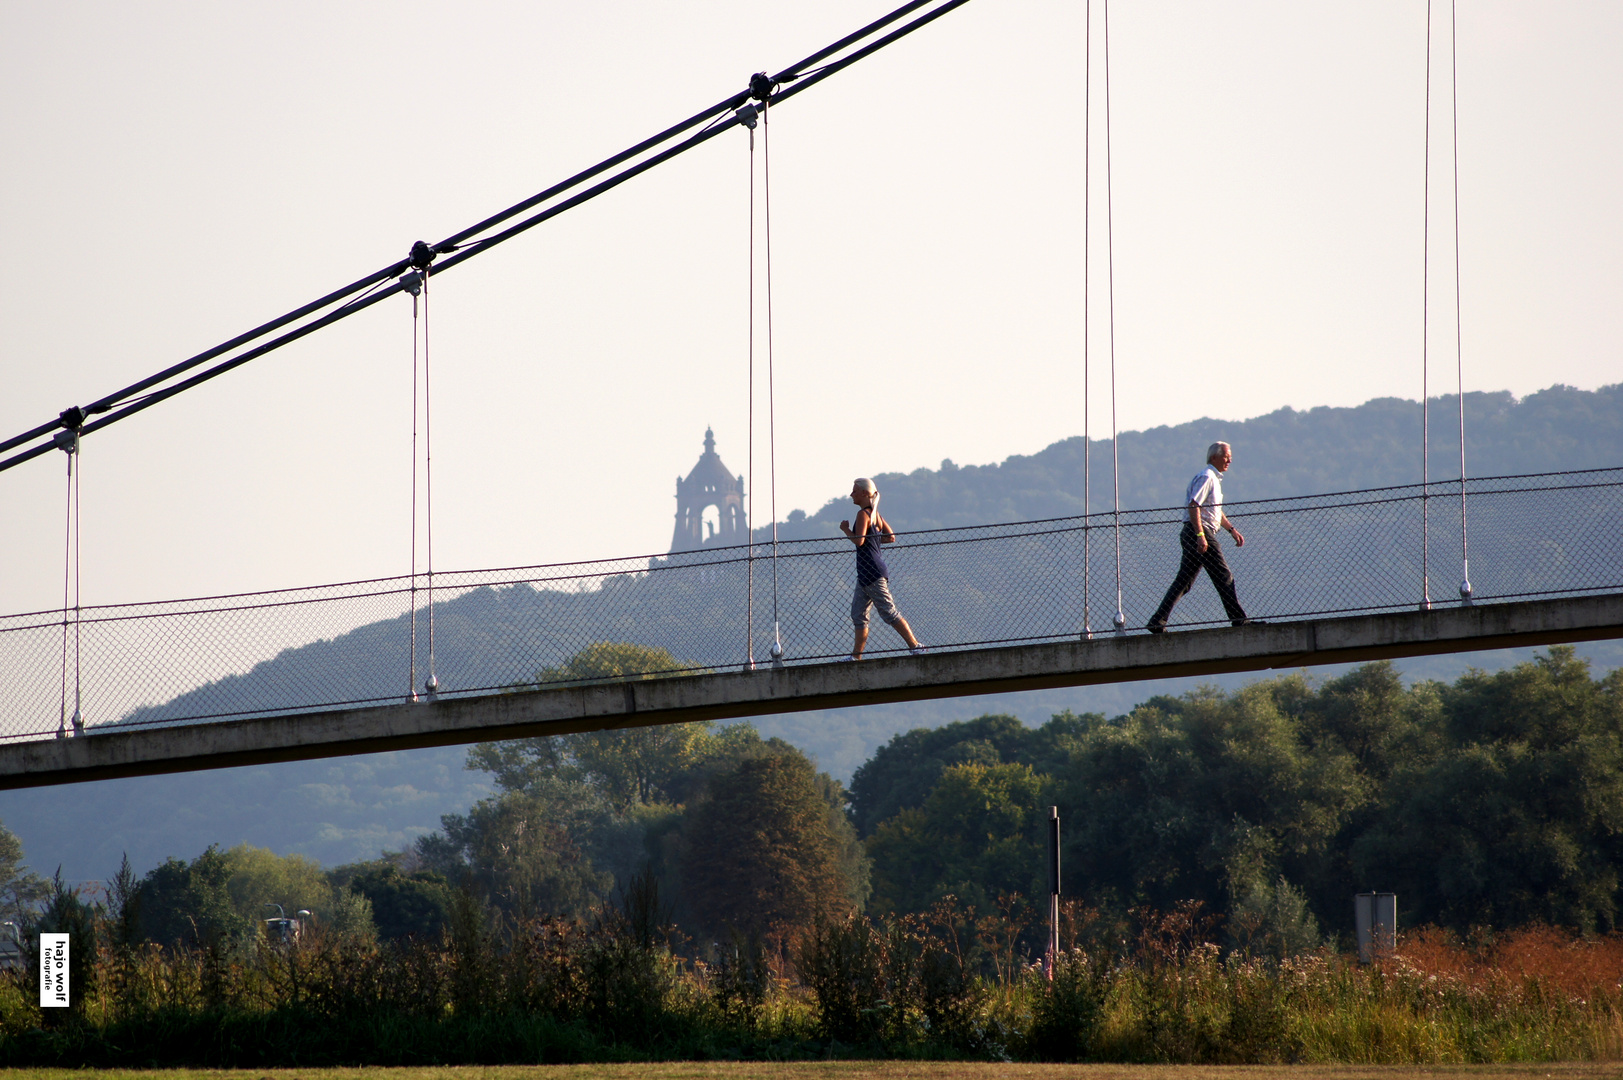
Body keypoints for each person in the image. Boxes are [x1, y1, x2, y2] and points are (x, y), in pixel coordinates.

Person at [1146, 441, 1255, 633]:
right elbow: (1194, 505)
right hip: (1199, 532)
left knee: (1184, 582)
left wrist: (1232, 530)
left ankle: (1158, 620)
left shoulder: (1213, 478)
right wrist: (1200, 536)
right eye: (1226, 456)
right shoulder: (1207, 477)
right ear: (1214, 457)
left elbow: (1215, 511)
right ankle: (1240, 621)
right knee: (1224, 576)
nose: (1230, 460)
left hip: (1195, 532)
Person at [839, 478, 927, 659]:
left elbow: (859, 540)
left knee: (888, 612)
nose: (851, 495)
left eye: (854, 491)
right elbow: (890, 537)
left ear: (864, 493)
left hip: (871, 572)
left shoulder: (863, 515)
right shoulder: (875, 515)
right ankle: (856, 657)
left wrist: (846, 529)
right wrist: (874, 540)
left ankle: (915, 646)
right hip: (866, 573)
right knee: (858, 615)